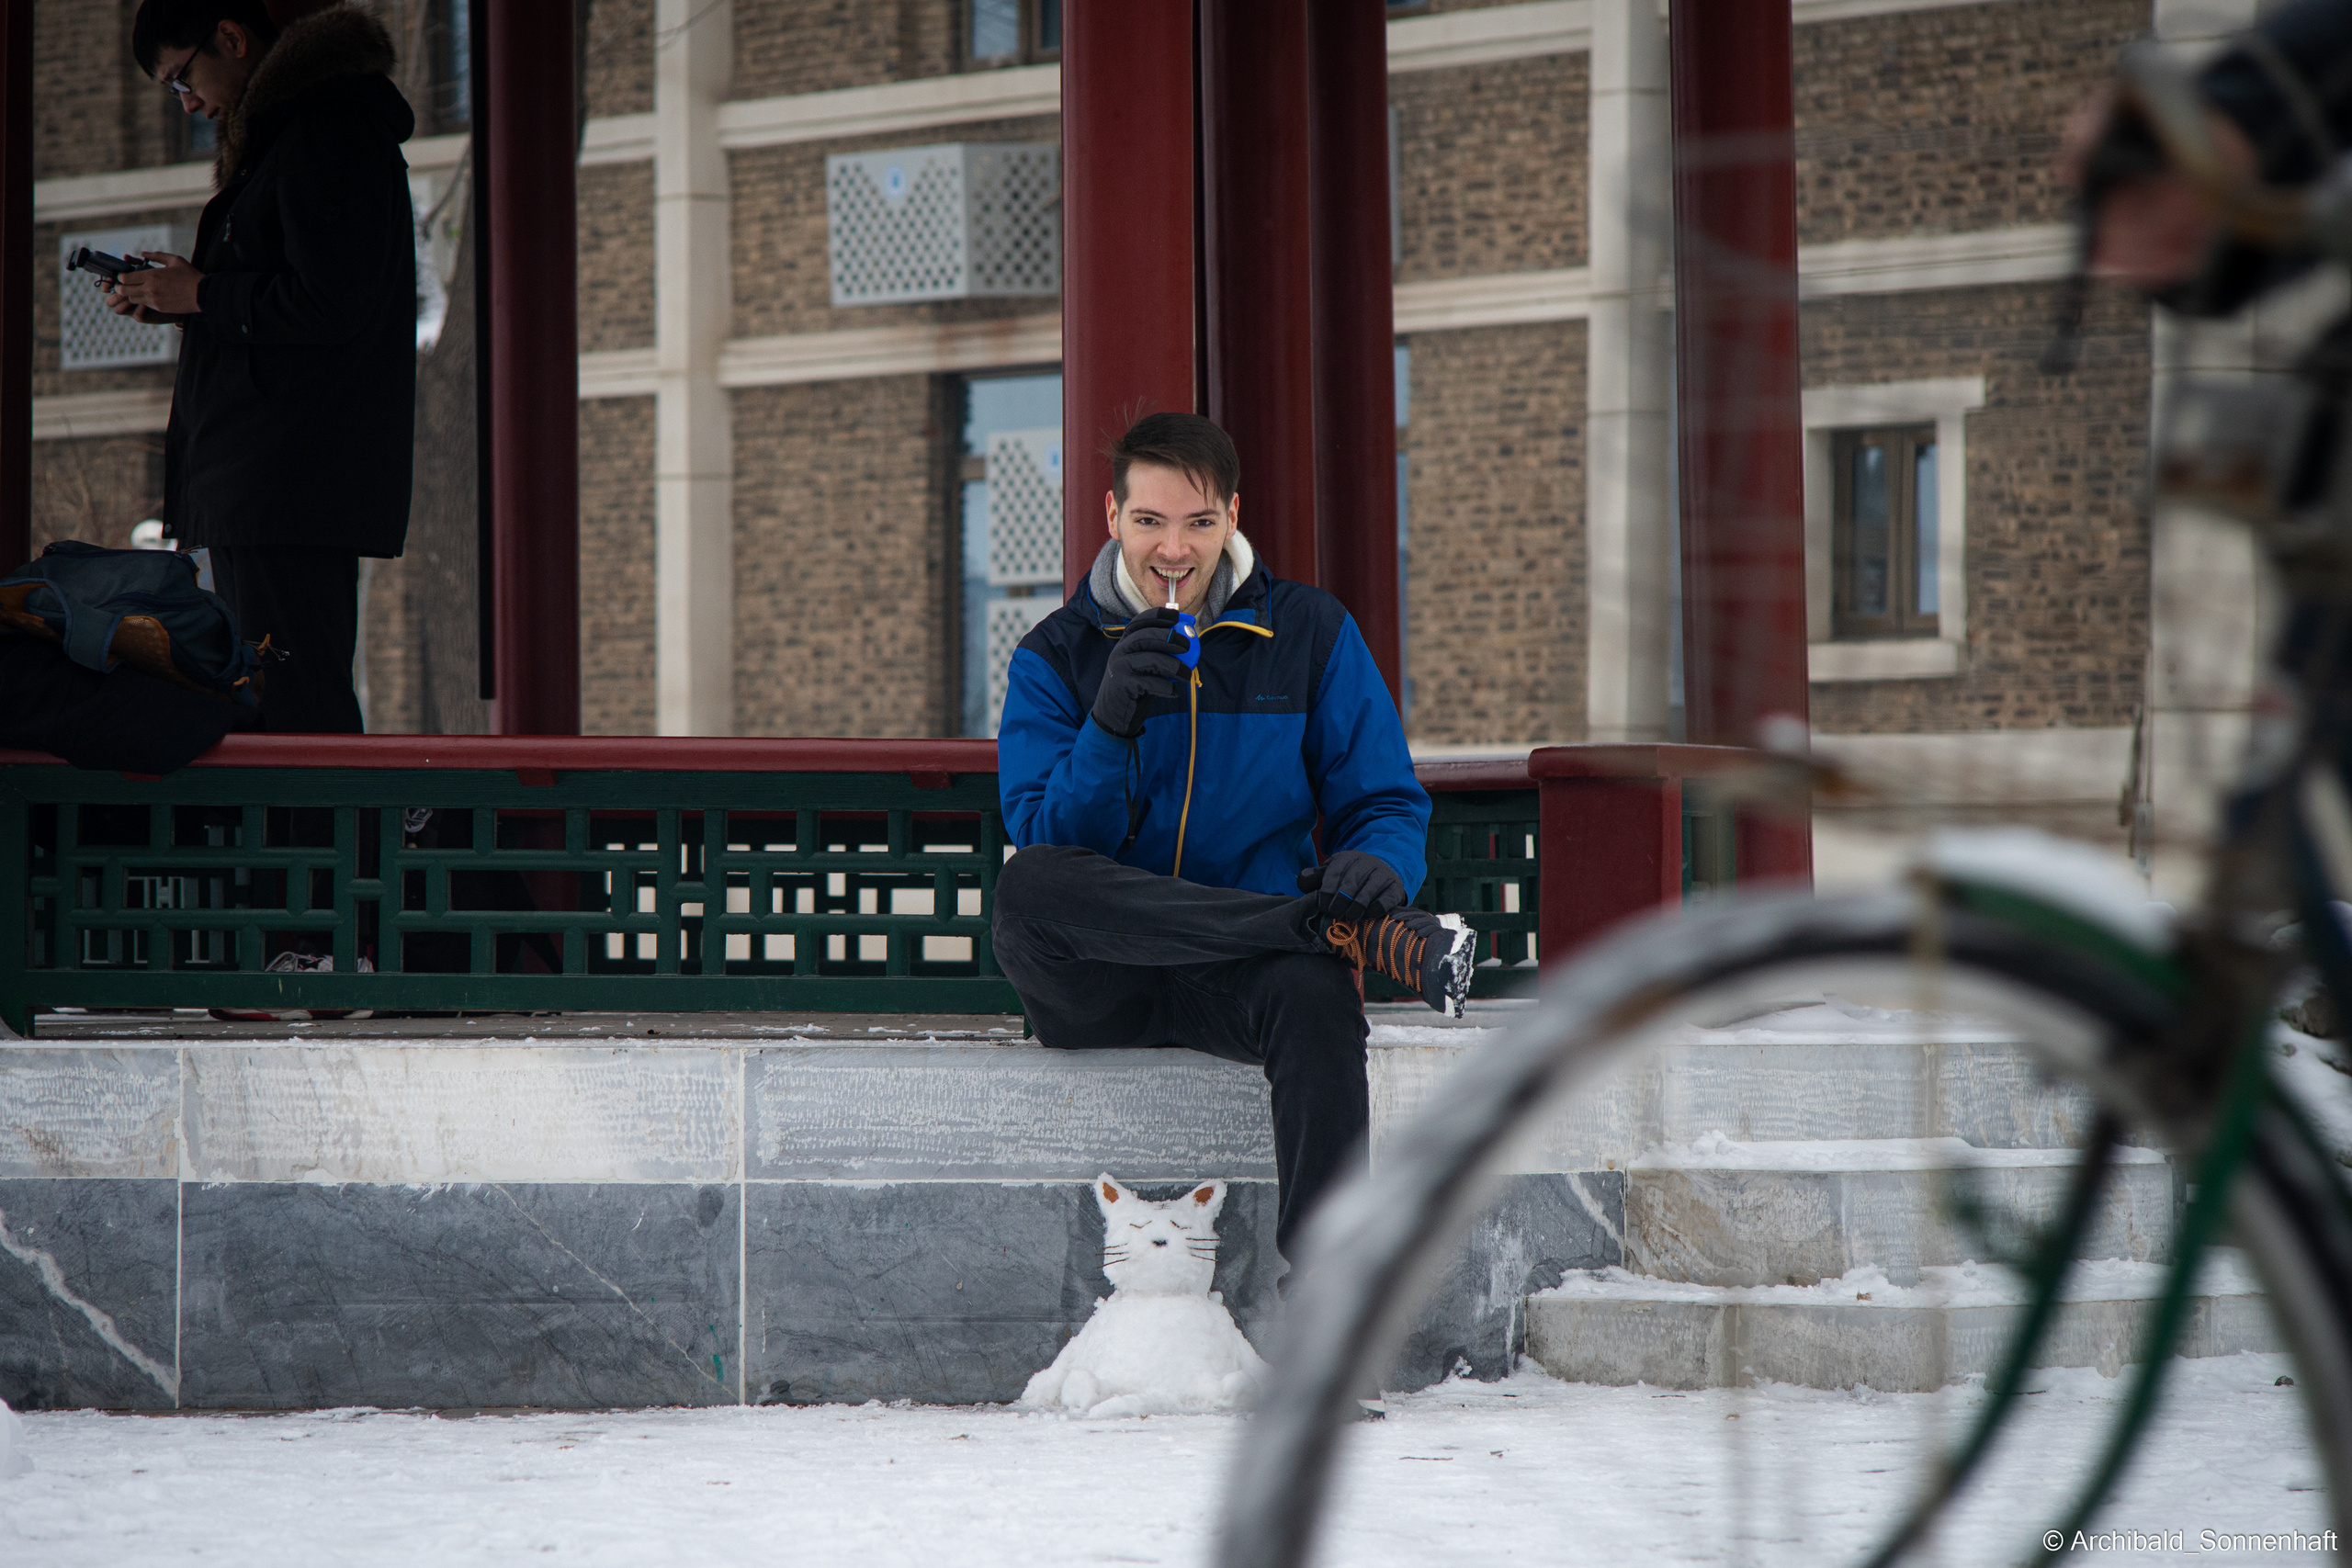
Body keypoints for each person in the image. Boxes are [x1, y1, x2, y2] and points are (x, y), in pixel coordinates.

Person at [992, 412, 1475, 1265]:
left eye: (1199, 522)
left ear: (1233, 516)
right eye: (1149, 521)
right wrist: (1108, 728)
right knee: (1028, 887)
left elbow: (1387, 801)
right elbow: (1045, 839)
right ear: (1112, 518)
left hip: (1241, 980)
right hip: (1105, 984)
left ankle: (1326, 1311)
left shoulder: (1310, 634)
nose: (1173, 549)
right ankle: (1310, 925)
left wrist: (1381, 865)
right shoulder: (1053, 656)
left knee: (1321, 999)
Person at [104, 0, 417, 734]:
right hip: (272, 481)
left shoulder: (325, 128)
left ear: (233, 39)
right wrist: (186, 302)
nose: (190, 106)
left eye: (184, 80)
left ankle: (330, 851)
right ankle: (316, 847)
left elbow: (331, 300)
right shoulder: (296, 132)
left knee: (293, 710)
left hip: (288, 480)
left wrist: (204, 293)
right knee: (272, 702)